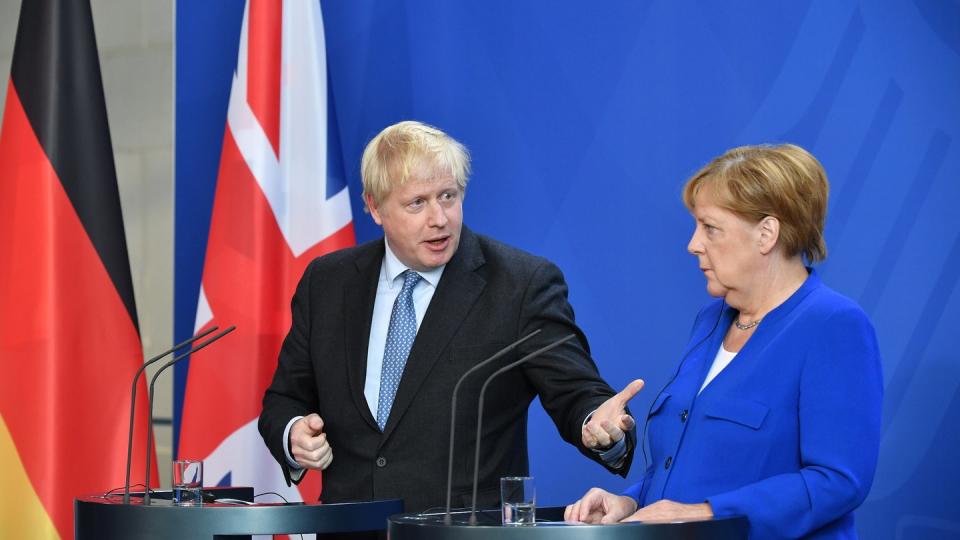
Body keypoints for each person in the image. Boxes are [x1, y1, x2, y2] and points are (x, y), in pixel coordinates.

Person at [259, 120, 641, 512]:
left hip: (464, 532)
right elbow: (285, 398)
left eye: (448, 196)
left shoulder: (520, 285)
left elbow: (577, 394)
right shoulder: (328, 282)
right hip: (350, 528)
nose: (439, 218)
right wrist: (293, 435)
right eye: (417, 203)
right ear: (375, 206)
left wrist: (601, 425)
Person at [565, 144, 883, 539]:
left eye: (710, 228)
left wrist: (707, 514)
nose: (693, 244)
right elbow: (686, 468)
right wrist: (631, 503)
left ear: (767, 233)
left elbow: (837, 480)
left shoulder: (833, 325)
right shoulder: (711, 320)